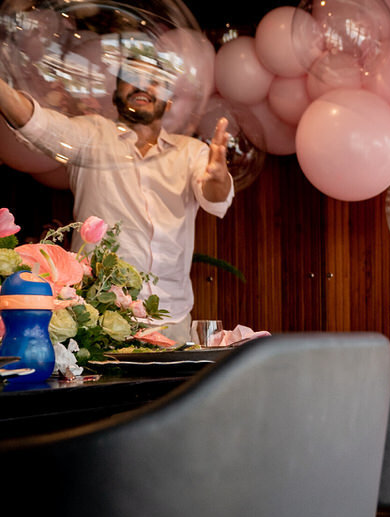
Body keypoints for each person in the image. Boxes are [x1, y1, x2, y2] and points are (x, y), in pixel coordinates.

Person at [0, 57, 233, 343]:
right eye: (132, 77)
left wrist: (217, 175)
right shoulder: (90, 134)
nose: (142, 85)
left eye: (154, 81)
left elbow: (215, 199)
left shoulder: (191, 151)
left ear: (169, 101)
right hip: (97, 318)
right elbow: (37, 124)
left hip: (172, 319)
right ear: (115, 94)